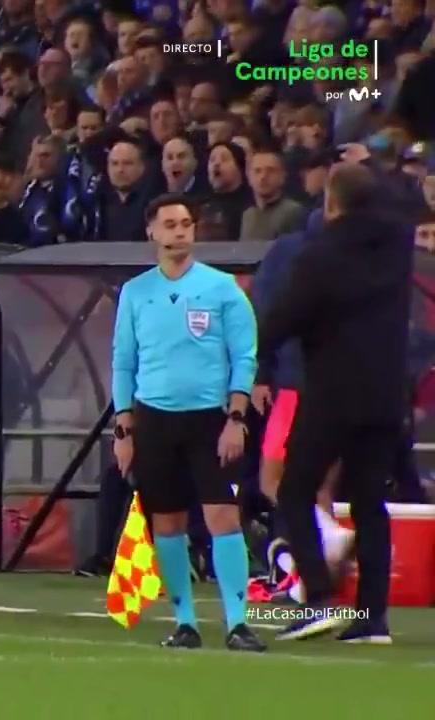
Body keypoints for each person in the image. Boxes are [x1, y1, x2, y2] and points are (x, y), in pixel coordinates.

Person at [259, 164, 409, 643]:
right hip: (386, 392)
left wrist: (253, 349)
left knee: (293, 490)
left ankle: (319, 599)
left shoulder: (320, 254)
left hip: (333, 391)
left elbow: (286, 317)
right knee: (369, 501)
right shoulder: (397, 245)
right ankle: (372, 619)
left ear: (331, 202)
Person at [111, 192, 265, 652]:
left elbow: (244, 356)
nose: (179, 232)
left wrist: (235, 417)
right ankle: (185, 624)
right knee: (167, 522)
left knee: (223, 516)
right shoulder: (135, 292)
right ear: (152, 232)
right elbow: (123, 361)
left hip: (209, 420)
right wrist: (123, 428)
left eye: (185, 224)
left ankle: (238, 623)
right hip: (155, 421)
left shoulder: (222, 288)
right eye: (170, 224)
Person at [250, 230, 354, 603]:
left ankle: (327, 537)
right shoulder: (363, 249)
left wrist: (261, 372)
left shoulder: (291, 251)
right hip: (346, 382)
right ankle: (313, 584)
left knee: (274, 479)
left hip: (298, 380)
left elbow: (266, 313)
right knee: (320, 486)